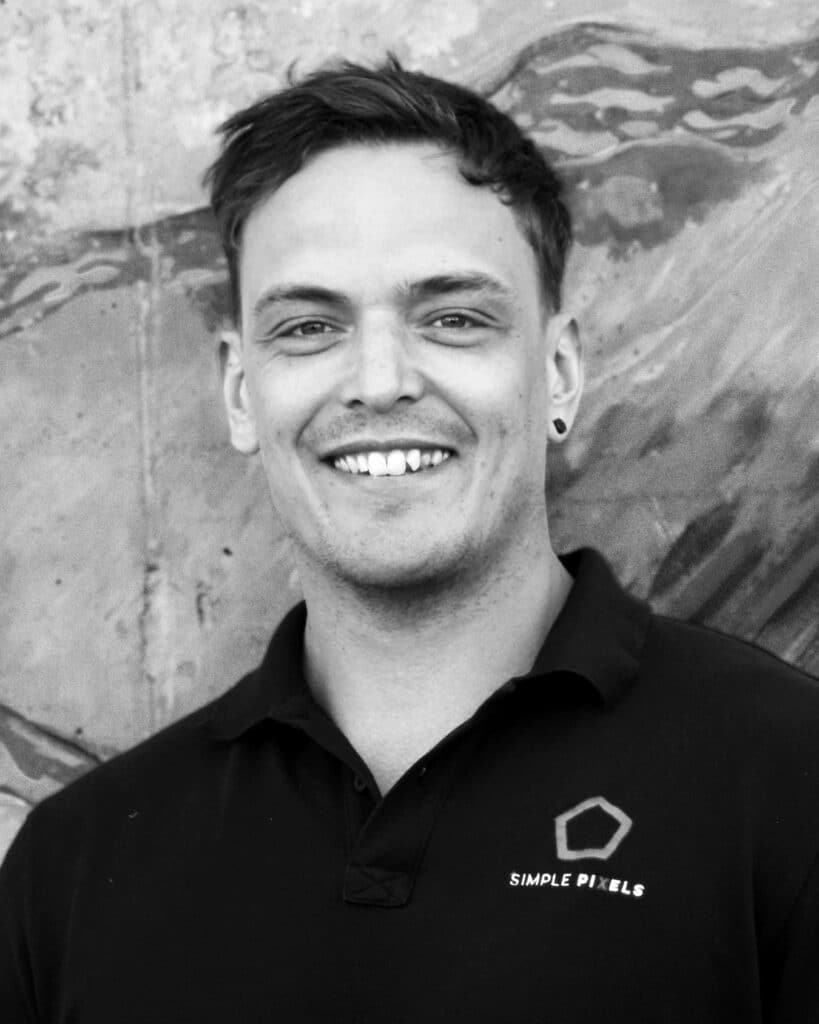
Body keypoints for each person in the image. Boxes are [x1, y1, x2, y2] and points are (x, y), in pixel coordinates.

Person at [1, 57, 817, 1023]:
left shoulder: (789, 779)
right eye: (309, 327)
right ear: (240, 391)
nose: (379, 380)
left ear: (558, 371)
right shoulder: (73, 867)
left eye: (453, 318)